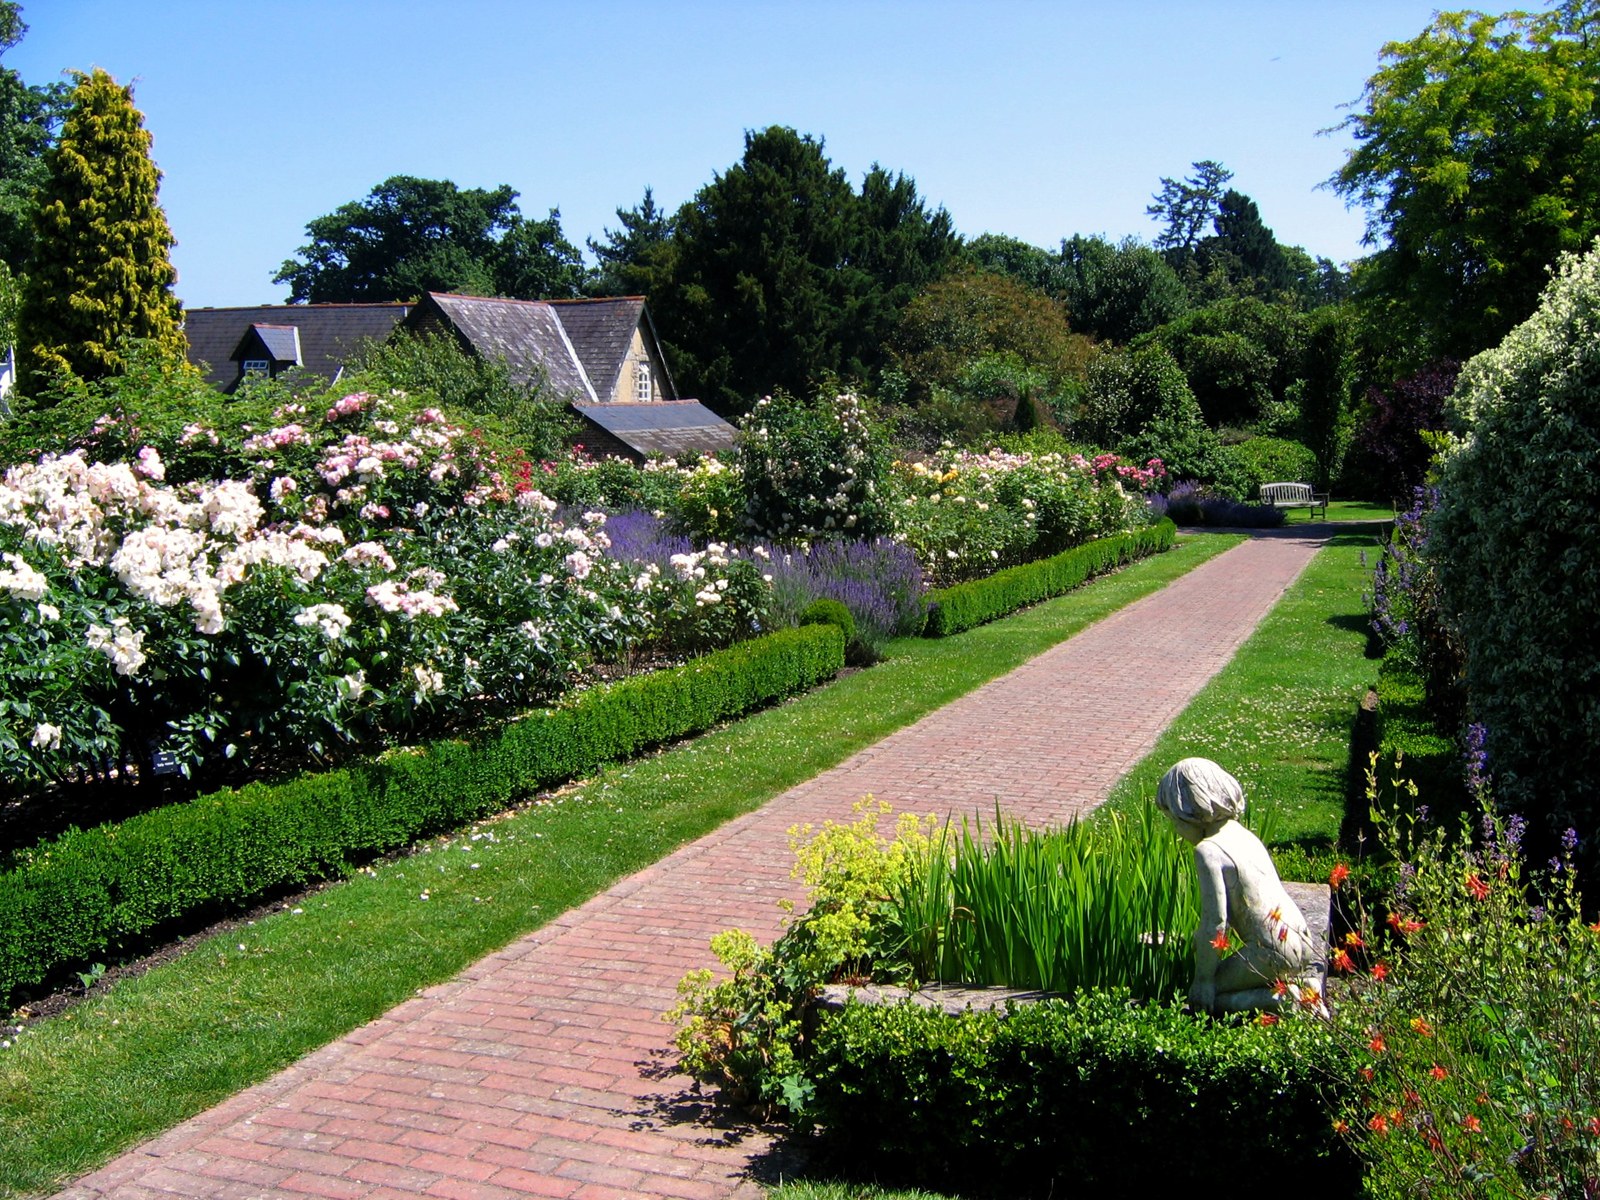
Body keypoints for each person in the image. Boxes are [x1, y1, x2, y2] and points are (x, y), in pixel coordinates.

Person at [1155, 757, 1323, 1013]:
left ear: (1190, 811)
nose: (1176, 830)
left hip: (1271, 951)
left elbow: (1215, 923)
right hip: (1301, 940)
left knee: (1205, 1000)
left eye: (1174, 820)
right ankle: (1304, 986)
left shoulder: (1208, 851)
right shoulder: (1245, 836)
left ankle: (1287, 1002)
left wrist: (1202, 981)